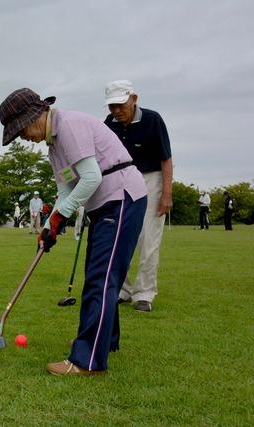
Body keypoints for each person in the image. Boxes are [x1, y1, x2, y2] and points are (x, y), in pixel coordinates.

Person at [0, 88, 147, 376]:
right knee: (101, 275)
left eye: (21, 130)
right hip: (105, 206)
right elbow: (65, 189)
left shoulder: (70, 127)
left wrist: (62, 217)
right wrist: (49, 226)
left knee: (100, 278)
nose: (24, 138)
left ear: (35, 116)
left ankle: (88, 360)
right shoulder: (55, 147)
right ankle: (104, 340)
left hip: (121, 198)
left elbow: (90, 177)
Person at [104, 80, 173, 313]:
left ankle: (144, 293)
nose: (116, 111)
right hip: (120, 181)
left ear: (134, 98)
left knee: (148, 238)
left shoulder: (153, 119)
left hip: (150, 179)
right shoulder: (109, 124)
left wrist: (166, 194)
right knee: (119, 236)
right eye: (112, 106)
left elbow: (166, 158)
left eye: (120, 105)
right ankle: (122, 290)